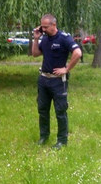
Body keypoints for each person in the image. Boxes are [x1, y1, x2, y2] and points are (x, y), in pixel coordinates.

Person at [32, 14, 82, 149]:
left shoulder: (64, 38)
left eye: (45, 27)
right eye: (42, 26)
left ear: (54, 25)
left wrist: (66, 69)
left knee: (60, 111)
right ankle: (44, 137)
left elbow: (77, 53)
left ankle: (62, 141)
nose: (42, 29)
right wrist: (36, 39)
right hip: (43, 79)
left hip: (58, 82)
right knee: (42, 110)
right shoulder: (45, 38)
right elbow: (35, 54)